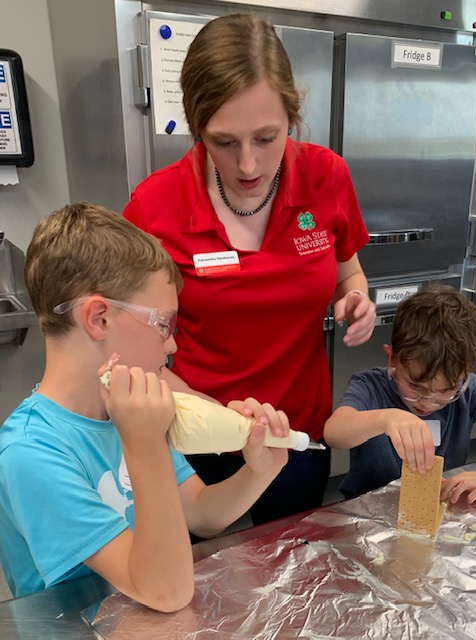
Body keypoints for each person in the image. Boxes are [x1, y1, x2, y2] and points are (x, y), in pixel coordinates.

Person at [123, 13, 376, 525]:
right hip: (194, 435)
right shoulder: (156, 206)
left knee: (292, 575)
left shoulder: (325, 176)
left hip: (295, 434)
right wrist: (212, 413)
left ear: (292, 118)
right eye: (223, 142)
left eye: (267, 137)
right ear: (197, 130)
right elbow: (130, 351)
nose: (248, 167)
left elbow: (348, 271)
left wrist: (354, 299)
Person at [0, 202, 291, 609]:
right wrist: (145, 445)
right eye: (163, 324)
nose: (171, 344)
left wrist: (260, 470)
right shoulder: (31, 452)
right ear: (99, 318)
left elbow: (201, 514)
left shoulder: (124, 410)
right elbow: (165, 592)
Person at [324, 284, 476, 502]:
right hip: (366, 513)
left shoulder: (471, 391)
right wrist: (385, 418)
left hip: (438, 507)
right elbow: (335, 433)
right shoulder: (370, 386)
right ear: (392, 358)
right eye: (415, 386)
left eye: (446, 390)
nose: (428, 401)